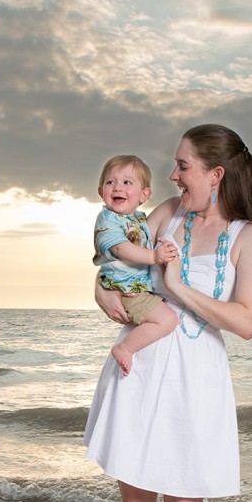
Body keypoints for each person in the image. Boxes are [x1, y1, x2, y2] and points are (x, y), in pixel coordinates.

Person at [83, 124, 252, 502]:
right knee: (136, 496)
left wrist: (177, 287)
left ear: (216, 174)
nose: (172, 174)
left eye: (183, 165)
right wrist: (97, 289)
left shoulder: (251, 236)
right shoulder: (165, 213)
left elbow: (247, 321)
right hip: (140, 365)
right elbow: (115, 253)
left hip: (195, 373)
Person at [94, 154, 178, 375]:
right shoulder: (108, 220)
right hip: (128, 291)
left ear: (144, 195)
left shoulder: (138, 220)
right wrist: (154, 257)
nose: (117, 187)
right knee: (167, 320)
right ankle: (125, 348)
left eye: (126, 182)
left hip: (134, 288)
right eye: (110, 182)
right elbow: (121, 249)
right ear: (101, 191)